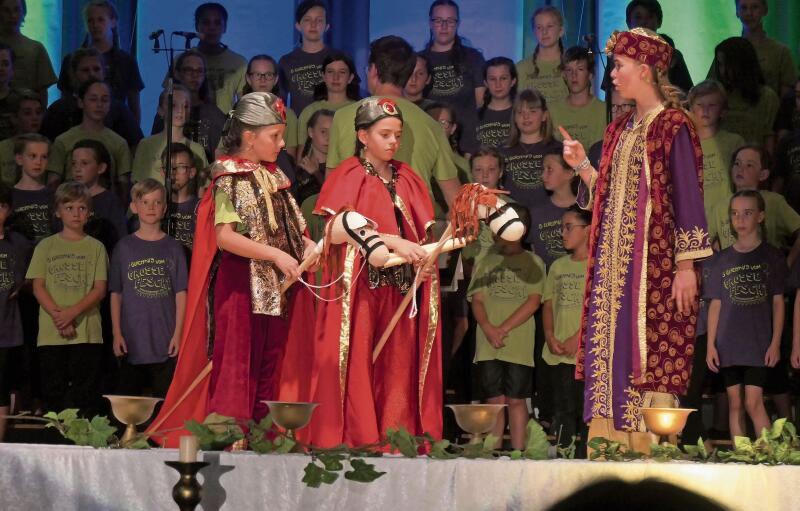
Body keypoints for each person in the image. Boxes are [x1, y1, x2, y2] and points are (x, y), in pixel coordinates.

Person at [562, 28, 711, 440]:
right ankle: (608, 447)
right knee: (610, 350)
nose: (611, 75)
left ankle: (649, 451)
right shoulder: (618, 130)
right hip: (613, 270)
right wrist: (582, 167)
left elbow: (687, 195)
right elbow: (608, 198)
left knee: (651, 351)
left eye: (619, 66)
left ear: (644, 71)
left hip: (655, 267)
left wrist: (686, 266)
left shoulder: (673, 125)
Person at [147, 92, 317, 447]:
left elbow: (293, 229)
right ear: (249, 136)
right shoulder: (227, 178)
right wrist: (274, 255)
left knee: (271, 358)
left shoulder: (277, 179)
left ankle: (263, 434)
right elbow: (224, 238)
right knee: (238, 361)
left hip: (274, 287)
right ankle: (228, 435)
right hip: (239, 285)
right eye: (275, 135)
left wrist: (309, 246)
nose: (283, 143)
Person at [308, 96, 441, 447]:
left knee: (398, 369)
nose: (393, 142)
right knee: (359, 364)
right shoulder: (347, 175)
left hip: (400, 290)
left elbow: (420, 234)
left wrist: (423, 266)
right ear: (363, 136)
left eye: (397, 135)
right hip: (362, 290)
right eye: (385, 134)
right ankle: (359, 437)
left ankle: (395, 438)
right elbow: (333, 231)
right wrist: (390, 241)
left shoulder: (408, 178)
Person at [326, 36, 460, 209]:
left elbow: (331, 187)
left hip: (358, 230)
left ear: (373, 70)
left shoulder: (343, 117)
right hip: (415, 229)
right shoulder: (431, 125)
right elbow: (456, 199)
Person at [706, 190, 786, 440]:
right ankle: (741, 455)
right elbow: (716, 305)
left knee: (753, 402)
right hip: (728, 344)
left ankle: (770, 456)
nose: (740, 219)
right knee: (735, 403)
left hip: (758, 343)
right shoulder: (721, 260)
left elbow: (778, 303)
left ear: (760, 216)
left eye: (747, 213)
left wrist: (775, 342)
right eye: (735, 213)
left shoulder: (772, 257)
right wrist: (710, 345)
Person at [26, 182, 107, 417]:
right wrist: (59, 317)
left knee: (86, 396)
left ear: (89, 213)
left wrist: (72, 313)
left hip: (87, 333)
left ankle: (84, 449)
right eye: (69, 207)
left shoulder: (96, 247)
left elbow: (99, 289)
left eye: (82, 208)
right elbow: (38, 286)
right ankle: (56, 447)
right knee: (55, 396)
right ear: (57, 211)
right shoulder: (45, 246)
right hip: (53, 334)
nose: (75, 213)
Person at [469, 204, 544, 449]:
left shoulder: (533, 261)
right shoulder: (486, 261)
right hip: (488, 343)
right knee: (494, 399)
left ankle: (518, 454)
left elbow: (533, 301)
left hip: (518, 345)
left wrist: (503, 329)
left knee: (515, 399)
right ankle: (492, 452)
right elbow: (477, 299)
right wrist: (490, 328)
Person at [111, 179, 187, 399]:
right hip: (132, 340)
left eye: (157, 202)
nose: (151, 207)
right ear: (134, 207)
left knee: (164, 404)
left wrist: (178, 334)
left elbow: (181, 293)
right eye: (145, 202)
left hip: (165, 340)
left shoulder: (173, 248)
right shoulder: (123, 248)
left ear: (164, 208)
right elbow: (116, 294)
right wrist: (117, 333)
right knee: (128, 407)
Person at [542, 205, 590, 450]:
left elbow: (598, 307)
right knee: (562, 409)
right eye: (562, 227)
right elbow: (548, 304)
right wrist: (550, 335)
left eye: (569, 227)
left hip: (585, 354)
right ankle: (562, 458)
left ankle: (584, 462)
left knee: (585, 412)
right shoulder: (558, 266)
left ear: (588, 230)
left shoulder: (597, 267)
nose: (563, 232)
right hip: (559, 353)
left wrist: (578, 338)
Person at [707, 145, 800, 265]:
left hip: (767, 276)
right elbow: (703, 243)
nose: (740, 169)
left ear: (763, 174)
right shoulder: (720, 207)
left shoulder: (774, 201)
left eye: (749, 165)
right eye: (737, 163)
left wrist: (787, 264)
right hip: (731, 278)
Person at [57, 0, 144, 123]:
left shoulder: (126, 62)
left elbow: (134, 106)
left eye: (100, 20)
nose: (95, 25)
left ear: (113, 21)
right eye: (90, 20)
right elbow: (64, 102)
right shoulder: (70, 60)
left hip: (116, 127)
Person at [40, 47, 143, 148]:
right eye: (85, 70)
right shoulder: (58, 111)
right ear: (74, 74)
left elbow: (136, 146)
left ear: (104, 73)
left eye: (96, 69)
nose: (92, 74)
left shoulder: (119, 111)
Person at [420, 0, 485, 155]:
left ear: (457, 23)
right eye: (438, 20)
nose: (444, 26)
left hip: (467, 146)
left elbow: (481, 103)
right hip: (429, 144)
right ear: (430, 23)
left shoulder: (473, 57)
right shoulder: (419, 61)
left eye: (450, 21)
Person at [47, 80, 131, 196]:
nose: (99, 105)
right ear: (81, 102)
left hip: (105, 207)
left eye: (104, 100)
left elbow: (124, 185)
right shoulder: (63, 140)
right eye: (93, 99)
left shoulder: (119, 143)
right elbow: (53, 182)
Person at [601, 0, 693, 94]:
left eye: (650, 17)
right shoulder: (618, 55)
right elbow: (610, 95)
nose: (644, 22)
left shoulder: (673, 55)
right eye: (638, 17)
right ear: (628, 23)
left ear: (659, 21)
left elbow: (687, 94)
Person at [153, 50, 226, 163]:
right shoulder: (167, 110)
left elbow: (221, 154)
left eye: (199, 71)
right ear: (177, 73)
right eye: (188, 70)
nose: (194, 75)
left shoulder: (214, 114)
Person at [500, 89, 562, 222]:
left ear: (544, 115)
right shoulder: (502, 152)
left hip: (549, 222)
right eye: (520, 112)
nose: (526, 117)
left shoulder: (557, 150)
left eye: (532, 111)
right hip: (511, 222)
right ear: (514, 117)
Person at [708, 37, 779, 150]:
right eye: (720, 64)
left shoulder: (767, 97)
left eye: (728, 64)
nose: (723, 71)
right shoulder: (717, 96)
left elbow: (769, 139)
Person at [687, 80, 744, 220]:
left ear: (722, 112)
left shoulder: (735, 142)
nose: (705, 110)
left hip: (728, 220)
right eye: (700, 105)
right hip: (694, 221)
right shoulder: (684, 145)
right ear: (691, 109)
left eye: (712, 105)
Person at [0, 182, 30, 442]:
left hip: (8, 329)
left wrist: (21, 284)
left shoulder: (17, 243)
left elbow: (30, 274)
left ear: (7, 210)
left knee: (2, 388)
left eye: (0, 206)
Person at [132, 85, 208, 186]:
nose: (180, 111)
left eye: (185, 106)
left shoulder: (197, 149)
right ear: (160, 110)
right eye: (173, 105)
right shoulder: (146, 145)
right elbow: (138, 183)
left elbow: (202, 187)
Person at [69, 139, 127, 253]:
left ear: (101, 168)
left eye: (84, 163)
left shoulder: (110, 202)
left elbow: (119, 239)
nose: (77, 169)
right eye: (74, 163)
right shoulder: (66, 199)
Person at [279, 0, 336, 114]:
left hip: (335, 127)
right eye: (307, 19)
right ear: (298, 26)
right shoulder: (286, 62)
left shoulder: (338, 59)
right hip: (300, 128)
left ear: (327, 26)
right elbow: (280, 103)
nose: (313, 25)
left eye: (319, 20)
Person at [238, 55, 299, 159]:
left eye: (268, 74)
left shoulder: (288, 115)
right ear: (248, 79)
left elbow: (290, 158)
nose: (263, 80)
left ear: (275, 80)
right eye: (258, 74)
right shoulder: (237, 114)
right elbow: (223, 151)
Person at [733, 0, 797, 98]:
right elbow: (713, 89)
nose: (749, 13)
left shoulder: (780, 52)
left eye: (755, 7)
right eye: (744, 8)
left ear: (765, 10)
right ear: (737, 11)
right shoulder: (729, 50)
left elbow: (787, 98)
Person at [297, 52, 359, 151]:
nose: (336, 77)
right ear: (323, 76)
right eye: (330, 72)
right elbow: (302, 153)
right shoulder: (309, 111)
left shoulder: (359, 110)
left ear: (350, 78)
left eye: (342, 72)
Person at [192, 2, 246, 114]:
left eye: (217, 23)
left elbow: (245, 105)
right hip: (189, 127)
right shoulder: (182, 60)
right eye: (206, 23)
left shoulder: (239, 63)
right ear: (197, 26)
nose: (212, 28)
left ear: (224, 27)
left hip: (224, 127)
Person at [0, 0, 56, 106]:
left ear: (23, 12)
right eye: (6, 10)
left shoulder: (36, 49)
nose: (12, 15)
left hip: (26, 116)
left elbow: (42, 92)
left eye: (16, 10)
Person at [551, 47, 607, 151]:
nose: (574, 75)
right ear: (564, 75)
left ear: (590, 74)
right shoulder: (552, 110)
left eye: (580, 69)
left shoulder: (604, 110)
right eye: (569, 70)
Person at [516, 6, 567, 108]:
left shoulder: (575, 64)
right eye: (539, 27)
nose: (544, 32)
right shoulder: (520, 69)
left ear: (561, 31)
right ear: (534, 32)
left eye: (550, 26)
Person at [530, 150, 574, 268]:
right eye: (543, 169)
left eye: (549, 169)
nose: (543, 175)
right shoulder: (536, 213)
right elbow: (535, 254)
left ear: (569, 173)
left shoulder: (586, 210)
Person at [10, 133, 52, 243]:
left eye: (44, 157)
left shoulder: (54, 196)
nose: (38, 162)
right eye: (33, 156)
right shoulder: (9, 196)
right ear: (19, 159)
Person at [0, 89, 43, 185]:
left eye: (38, 112)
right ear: (14, 118)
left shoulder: (49, 148)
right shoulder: (2, 149)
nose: (35, 117)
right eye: (27, 113)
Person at [164, 143, 200, 253]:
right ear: (162, 171)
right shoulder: (156, 207)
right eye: (169, 167)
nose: (174, 173)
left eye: (181, 167)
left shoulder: (201, 207)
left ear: (192, 172)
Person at [587, 87, 634, 169]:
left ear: (636, 109)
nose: (619, 112)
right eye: (614, 106)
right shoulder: (597, 150)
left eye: (625, 105)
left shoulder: (643, 146)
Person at [475, 57, 516, 150]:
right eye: (492, 79)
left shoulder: (522, 115)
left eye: (503, 78)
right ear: (485, 83)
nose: (498, 84)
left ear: (513, 81)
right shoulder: (474, 116)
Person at [296, 108, 332, 206]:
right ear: (311, 132)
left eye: (333, 132)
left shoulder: (340, 167)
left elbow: (335, 197)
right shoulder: (299, 169)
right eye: (323, 132)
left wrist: (316, 173)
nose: (328, 137)